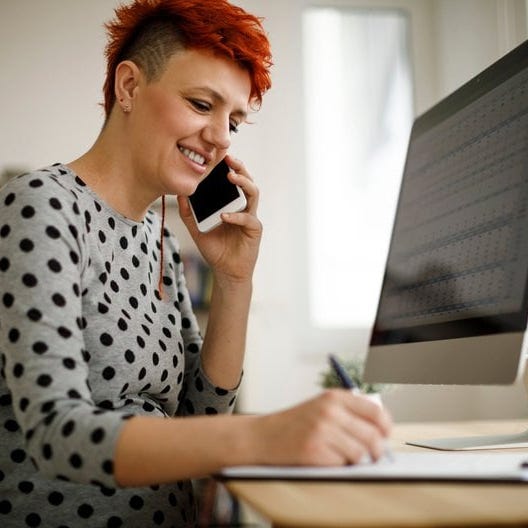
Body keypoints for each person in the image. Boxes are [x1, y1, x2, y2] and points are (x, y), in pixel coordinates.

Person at [0, 0, 393, 526]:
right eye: (202, 104)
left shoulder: (155, 235)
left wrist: (234, 279)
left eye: (234, 119)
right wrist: (268, 434)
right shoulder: (40, 203)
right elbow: (55, 434)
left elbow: (200, 418)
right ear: (129, 88)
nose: (221, 137)